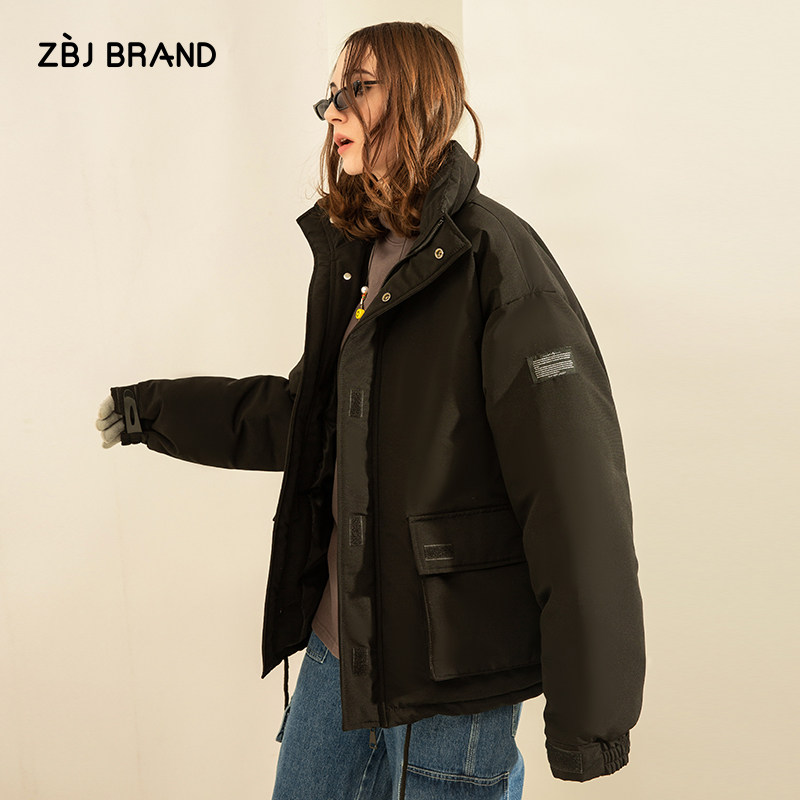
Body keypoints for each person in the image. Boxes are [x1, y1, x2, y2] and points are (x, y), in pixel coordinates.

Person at [96, 21, 646, 800]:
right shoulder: (359, 254)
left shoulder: (497, 260)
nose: (334, 109)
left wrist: (592, 721)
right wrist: (150, 411)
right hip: (341, 649)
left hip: (451, 673)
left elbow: (574, 491)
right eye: (331, 92)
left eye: (358, 87)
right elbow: (305, 418)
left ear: (420, 97)